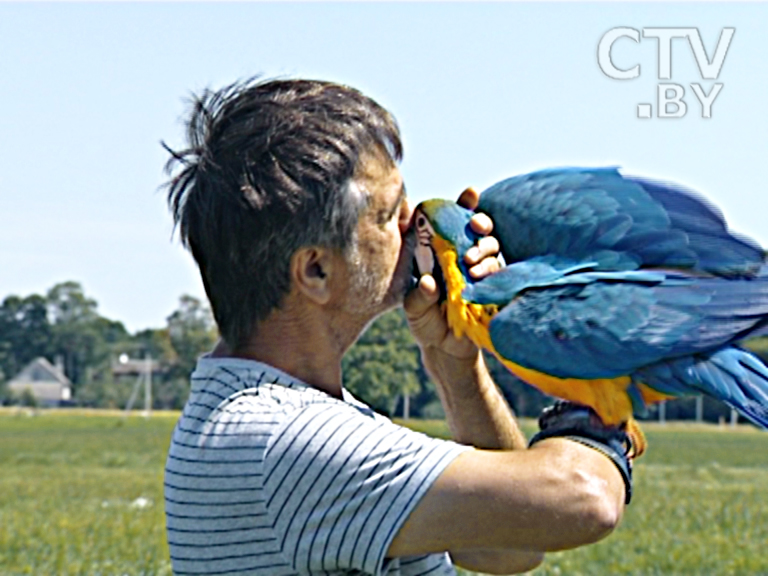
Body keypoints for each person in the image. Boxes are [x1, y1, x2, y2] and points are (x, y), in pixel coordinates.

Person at [163, 77, 632, 576]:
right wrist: (596, 392)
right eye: (387, 214)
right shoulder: (284, 440)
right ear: (316, 271)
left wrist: (455, 365)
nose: (415, 224)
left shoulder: (269, 419)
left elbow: (506, 547)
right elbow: (585, 498)